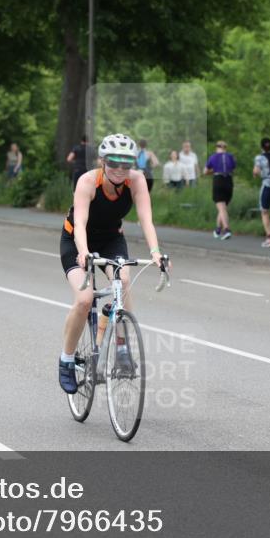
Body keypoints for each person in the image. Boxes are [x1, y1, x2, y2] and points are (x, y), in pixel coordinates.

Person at [57, 132, 170, 394]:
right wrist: (83, 252)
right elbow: (80, 223)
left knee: (124, 280)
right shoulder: (88, 181)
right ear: (102, 161)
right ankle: (66, 360)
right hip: (76, 240)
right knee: (84, 300)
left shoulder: (137, 181)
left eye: (126, 163)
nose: (120, 169)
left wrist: (156, 252)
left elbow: (146, 219)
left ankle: (121, 348)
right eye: (113, 162)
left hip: (110, 239)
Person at [203, 140, 236, 240]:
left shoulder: (213, 157)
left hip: (218, 180)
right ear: (225, 148)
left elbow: (205, 171)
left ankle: (226, 229)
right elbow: (233, 168)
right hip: (229, 181)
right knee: (223, 207)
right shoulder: (230, 156)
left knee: (221, 207)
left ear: (217, 147)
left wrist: (213, 171)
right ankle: (218, 229)